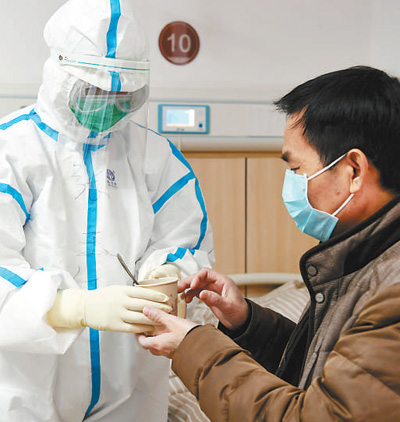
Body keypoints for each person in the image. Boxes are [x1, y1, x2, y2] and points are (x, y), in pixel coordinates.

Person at [138, 66, 400, 421]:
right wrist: (246, 322)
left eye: (296, 170)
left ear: (353, 170)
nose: (291, 184)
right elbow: (325, 367)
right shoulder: (365, 261)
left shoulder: (392, 292)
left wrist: (194, 345)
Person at [0, 0, 214, 421]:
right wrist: (72, 308)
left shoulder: (154, 156)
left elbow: (186, 241)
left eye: (122, 95)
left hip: (132, 388)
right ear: (60, 74)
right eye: (94, 91)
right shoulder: (12, 152)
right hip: (27, 390)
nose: (109, 105)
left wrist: (166, 273)